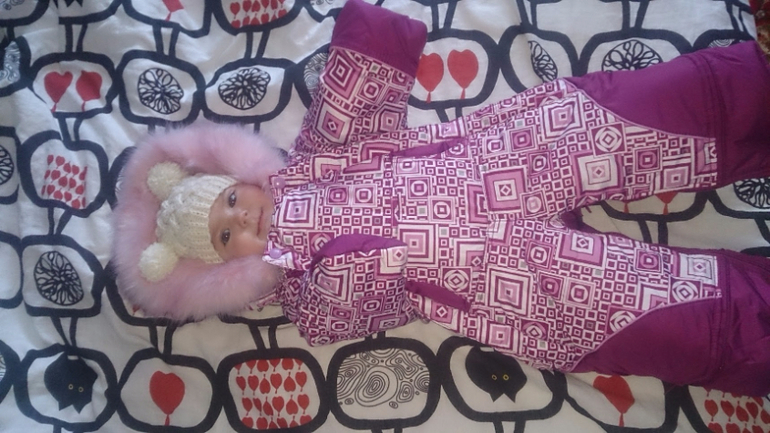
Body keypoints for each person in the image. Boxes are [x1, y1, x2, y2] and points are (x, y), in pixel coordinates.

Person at [113, 0, 770, 396]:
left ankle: (748, 99)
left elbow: (351, 103)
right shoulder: (304, 300)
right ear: (224, 271)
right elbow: (354, 310)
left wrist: (368, 40)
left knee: (622, 121)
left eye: (230, 199)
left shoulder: (317, 159)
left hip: (503, 159)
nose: (242, 217)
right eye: (227, 235)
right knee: (651, 312)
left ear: (242, 175)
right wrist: (343, 266)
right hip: (504, 278)